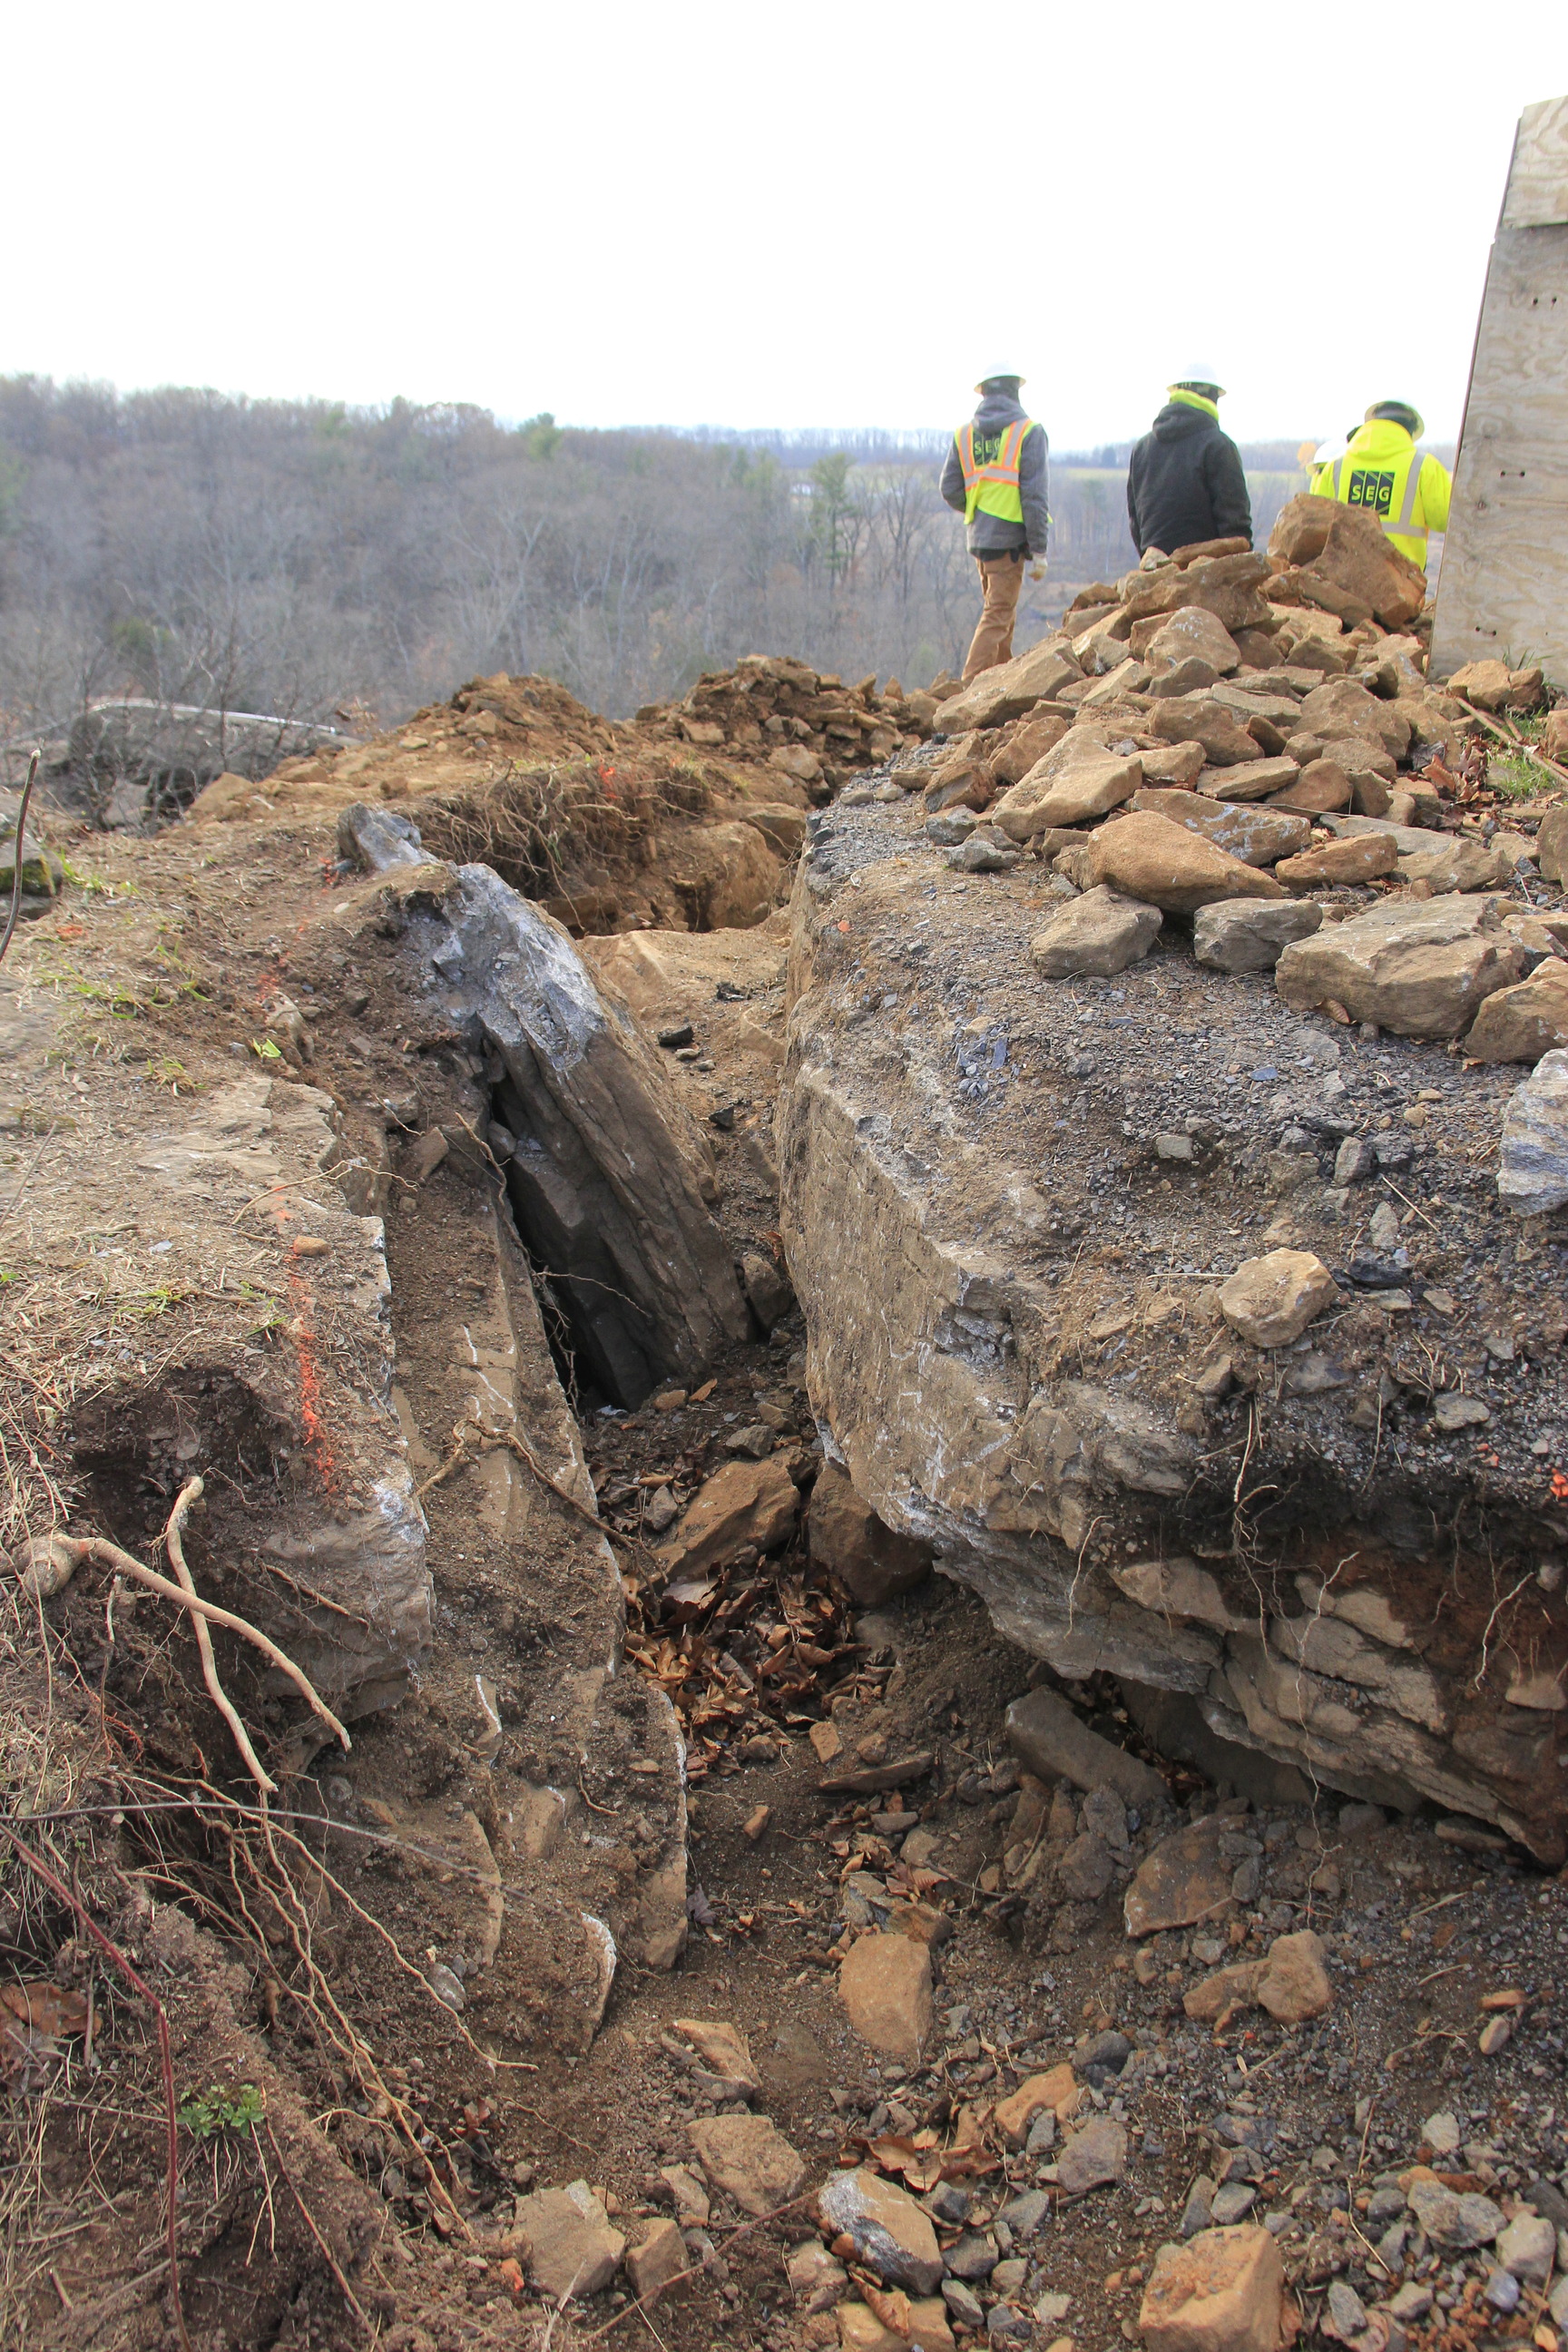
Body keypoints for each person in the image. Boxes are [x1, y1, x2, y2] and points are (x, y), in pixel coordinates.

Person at [940, 371, 1050, 680]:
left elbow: (949, 488)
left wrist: (981, 511)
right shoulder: (1028, 432)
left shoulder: (964, 434)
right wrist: (1039, 549)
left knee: (1003, 614)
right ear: (1016, 391)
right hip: (1009, 543)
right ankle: (968, 689)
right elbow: (1035, 496)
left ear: (983, 393)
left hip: (980, 541)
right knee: (998, 615)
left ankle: (1001, 683)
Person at [1126, 369, 1252, 559]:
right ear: (1211, 396)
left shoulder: (1141, 449)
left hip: (1155, 576)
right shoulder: (1218, 445)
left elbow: (1136, 523)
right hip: (1207, 578)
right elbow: (1236, 532)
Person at [1308, 401, 1450, 568]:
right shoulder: (1425, 466)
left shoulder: (1335, 466)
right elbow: (1445, 520)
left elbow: (1314, 522)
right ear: (1410, 432)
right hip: (1402, 582)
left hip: (1341, 578)